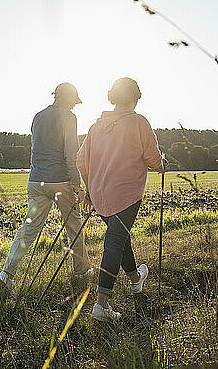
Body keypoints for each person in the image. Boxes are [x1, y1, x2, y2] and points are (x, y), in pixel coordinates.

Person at [76, 77, 164, 321]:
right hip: (126, 194)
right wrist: (161, 164)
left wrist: (90, 191)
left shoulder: (95, 127)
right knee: (114, 242)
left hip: (100, 195)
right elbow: (153, 158)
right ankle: (101, 304)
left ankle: (136, 279)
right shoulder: (138, 122)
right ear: (135, 98)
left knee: (119, 237)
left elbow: (80, 161)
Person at [0, 82, 93, 292]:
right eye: (74, 101)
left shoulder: (38, 116)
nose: (75, 106)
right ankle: (81, 271)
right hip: (59, 180)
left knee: (28, 229)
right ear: (66, 98)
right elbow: (70, 154)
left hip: (35, 180)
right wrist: (78, 185)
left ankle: (7, 274)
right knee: (74, 224)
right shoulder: (69, 117)